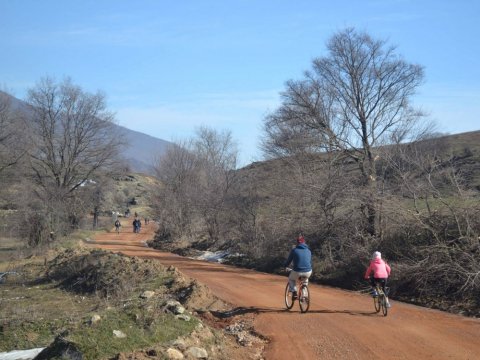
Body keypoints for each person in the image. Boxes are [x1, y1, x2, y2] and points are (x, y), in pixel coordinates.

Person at [284, 233, 312, 300]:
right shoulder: (308, 251)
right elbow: (309, 261)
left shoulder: (294, 250)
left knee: (291, 279)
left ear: (297, 243)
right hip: (308, 271)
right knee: (305, 280)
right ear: (304, 242)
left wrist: (285, 266)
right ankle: (304, 295)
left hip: (297, 271)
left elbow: (289, 260)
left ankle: (294, 292)